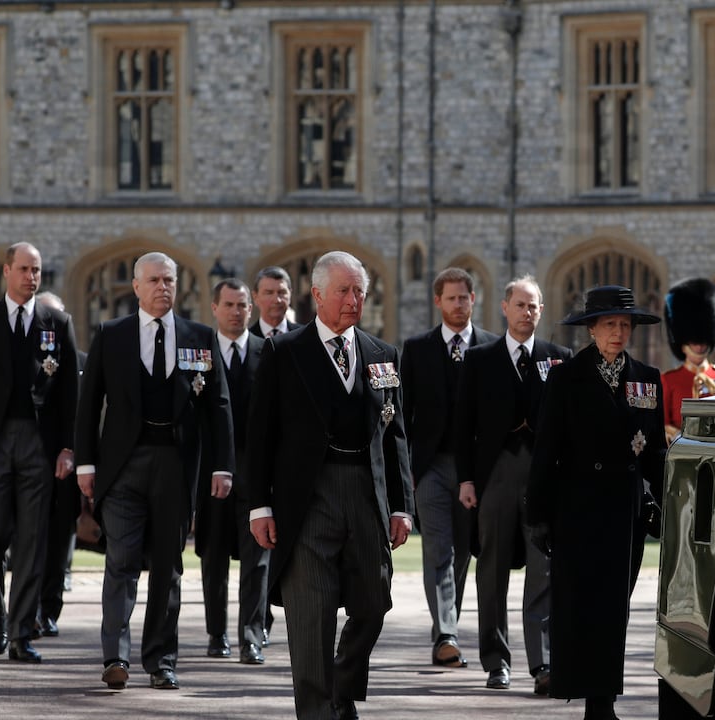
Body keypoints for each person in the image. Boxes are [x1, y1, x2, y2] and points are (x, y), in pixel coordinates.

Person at [247, 250, 414, 720]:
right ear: (317, 295)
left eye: (360, 291)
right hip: (307, 498)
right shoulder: (283, 352)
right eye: (344, 291)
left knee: (374, 603)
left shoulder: (383, 355)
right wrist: (259, 506)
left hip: (365, 493)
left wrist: (402, 505)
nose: (353, 300)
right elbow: (260, 436)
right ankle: (319, 710)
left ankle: (341, 686)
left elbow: (395, 435)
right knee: (311, 614)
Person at [75, 251, 234, 691]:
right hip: (122, 466)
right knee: (121, 560)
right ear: (136, 286)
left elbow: (218, 406)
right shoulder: (112, 334)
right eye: (154, 280)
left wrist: (223, 466)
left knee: (168, 567)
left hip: (176, 466)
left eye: (169, 280)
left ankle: (161, 661)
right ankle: (115, 656)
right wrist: (86, 462)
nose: (163, 287)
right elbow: (89, 404)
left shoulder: (200, 337)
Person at [525, 285, 667, 720]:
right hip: (578, 510)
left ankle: (603, 702)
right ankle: (591, 700)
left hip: (624, 512)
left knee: (613, 610)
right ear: (591, 329)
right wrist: (539, 516)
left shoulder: (646, 378)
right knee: (580, 608)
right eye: (609, 325)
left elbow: (656, 452)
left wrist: (667, 501)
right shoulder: (566, 377)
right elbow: (546, 450)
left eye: (625, 325)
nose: (618, 333)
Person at [0, 243, 79, 664]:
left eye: (36, 270)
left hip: (39, 446)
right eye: (23, 269)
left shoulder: (57, 323)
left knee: (33, 540)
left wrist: (67, 447)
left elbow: (69, 394)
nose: (31, 277)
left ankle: (22, 633)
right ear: (6, 271)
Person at [455, 275, 571, 694]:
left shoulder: (559, 358)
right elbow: (462, 424)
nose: (527, 312)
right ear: (504, 308)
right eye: (520, 305)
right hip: (495, 476)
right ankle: (496, 661)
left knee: (544, 570)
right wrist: (466, 479)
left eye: (533, 306)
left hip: (543, 479)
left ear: (542, 310)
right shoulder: (479, 359)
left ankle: (543, 663)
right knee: (492, 570)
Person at [400, 267, 497, 668]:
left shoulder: (491, 348)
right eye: (451, 298)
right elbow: (403, 414)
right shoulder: (416, 349)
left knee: (463, 553)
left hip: (475, 468)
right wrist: (407, 470)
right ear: (437, 301)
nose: (458, 304)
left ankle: (447, 626)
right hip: (431, 467)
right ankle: (446, 635)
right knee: (438, 549)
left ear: (474, 299)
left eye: (464, 297)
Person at [196, 278, 269, 665]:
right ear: (214, 308)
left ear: (250, 309)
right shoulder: (200, 353)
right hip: (212, 473)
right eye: (229, 305)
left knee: (257, 560)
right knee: (213, 556)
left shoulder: (266, 352)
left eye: (242, 305)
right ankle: (216, 633)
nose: (236, 312)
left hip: (255, 474)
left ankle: (251, 637)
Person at [32, 290, 83, 638]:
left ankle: (49, 609)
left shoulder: (83, 362)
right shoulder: (24, 361)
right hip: (28, 460)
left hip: (65, 466)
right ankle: (25, 608)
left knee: (58, 540)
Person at [661, 278, 715, 445]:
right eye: (694, 342)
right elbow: (664, 422)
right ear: (683, 344)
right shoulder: (668, 380)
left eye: (702, 341)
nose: (699, 346)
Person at [250, 266, 301, 338]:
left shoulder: (306, 336)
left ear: (290, 294)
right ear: (255, 297)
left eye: (281, 292)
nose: (277, 300)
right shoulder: (246, 340)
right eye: (269, 293)